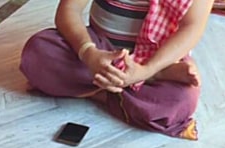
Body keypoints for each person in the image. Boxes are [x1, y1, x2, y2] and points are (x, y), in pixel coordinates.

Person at [19, 0, 213, 139]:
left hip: (156, 58)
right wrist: (88, 53)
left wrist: (147, 69)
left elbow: (191, 28)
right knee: (39, 51)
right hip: (99, 49)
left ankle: (149, 76)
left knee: (181, 101)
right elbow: (68, 9)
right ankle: (124, 88)